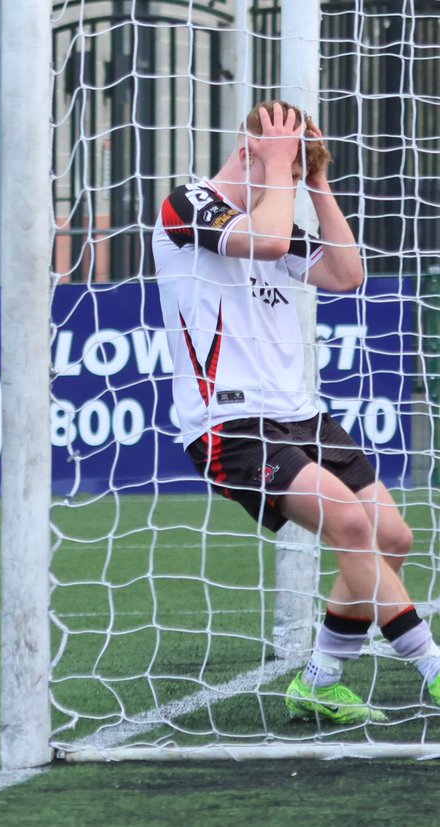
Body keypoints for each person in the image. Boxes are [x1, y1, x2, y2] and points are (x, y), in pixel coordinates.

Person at [153, 100, 440, 724]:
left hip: (301, 414)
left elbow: (346, 273)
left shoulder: (279, 210)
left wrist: (317, 183)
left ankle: (319, 678)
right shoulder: (188, 205)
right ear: (250, 151)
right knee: (351, 525)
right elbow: (270, 239)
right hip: (230, 424)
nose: (287, 185)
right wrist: (278, 168)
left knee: (393, 537)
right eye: (283, 169)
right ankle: (432, 666)